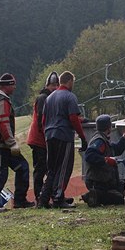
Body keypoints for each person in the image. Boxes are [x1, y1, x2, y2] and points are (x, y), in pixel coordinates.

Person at [0, 73, 34, 214]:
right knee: (2, 175)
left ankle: (17, 202)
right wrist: (12, 143)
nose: (15, 87)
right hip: (2, 146)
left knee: (17, 169)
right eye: (13, 85)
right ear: (7, 86)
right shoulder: (1, 100)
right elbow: (3, 123)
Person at [38, 71, 87, 208]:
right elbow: (73, 118)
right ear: (70, 81)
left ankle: (44, 198)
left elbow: (43, 119)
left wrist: (46, 133)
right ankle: (58, 198)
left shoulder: (49, 98)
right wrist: (82, 137)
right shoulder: (70, 96)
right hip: (63, 135)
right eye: (73, 82)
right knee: (64, 167)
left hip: (49, 134)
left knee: (52, 168)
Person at [81, 115, 125, 207]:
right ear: (109, 127)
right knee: (119, 198)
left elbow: (117, 149)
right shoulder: (99, 141)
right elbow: (89, 155)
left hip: (106, 181)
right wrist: (106, 160)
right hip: (98, 183)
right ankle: (95, 196)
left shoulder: (104, 140)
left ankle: (99, 194)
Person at [26, 72, 59, 204]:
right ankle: (39, 196)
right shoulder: (42, 98)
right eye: (53, 85)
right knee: (40, 169)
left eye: (57, 85)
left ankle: (48, 195)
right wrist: (47, 135)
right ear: (47, 85)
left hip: (44, 140)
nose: (55, 88)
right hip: (39, 140)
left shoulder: (51, 98)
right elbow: (41, 119)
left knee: (48, 168)